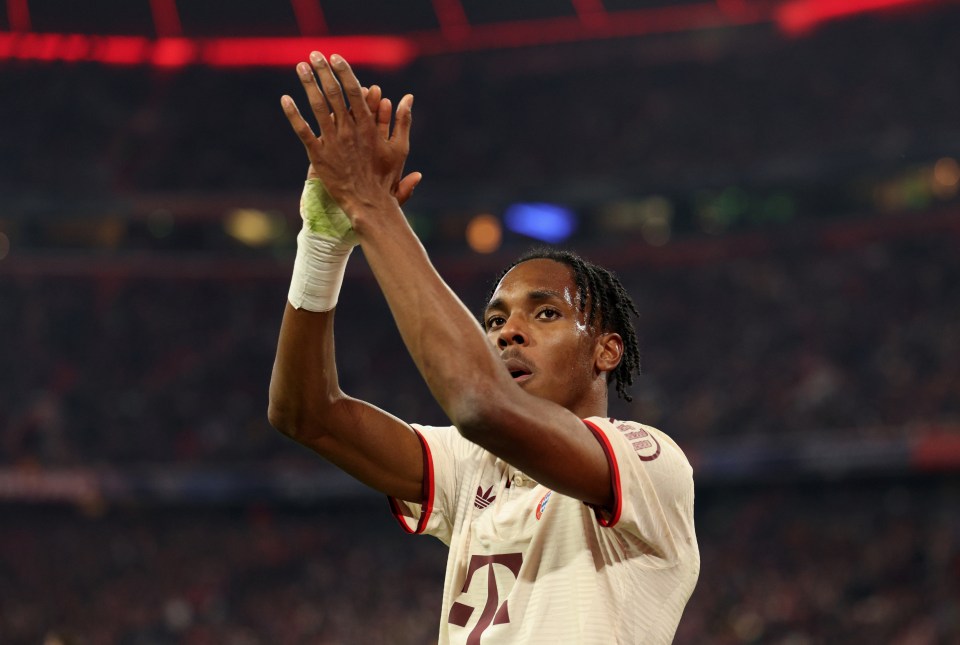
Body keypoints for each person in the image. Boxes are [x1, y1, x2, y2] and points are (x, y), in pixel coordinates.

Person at [268, 51, 699, 644]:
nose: (507, 333)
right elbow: (305, 414)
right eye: (494, 321)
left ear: (606, 351)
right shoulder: (476, 467)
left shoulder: (649, 462)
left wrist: (372, 206)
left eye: (546, 313)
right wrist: (322, 245)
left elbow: (478, 404)